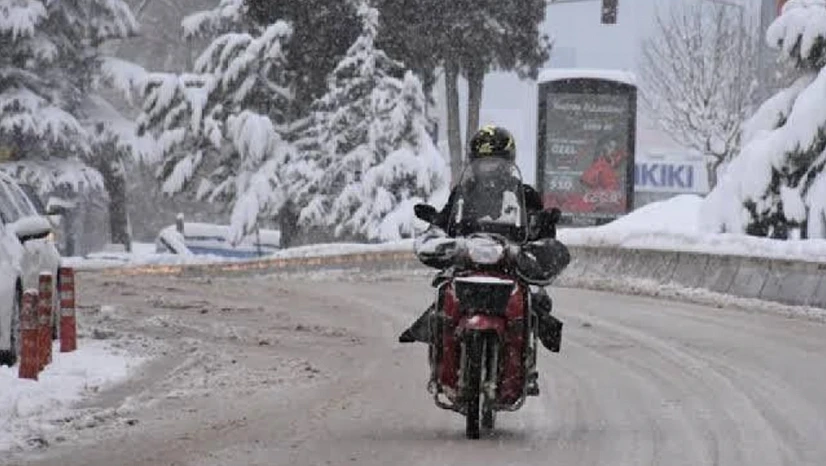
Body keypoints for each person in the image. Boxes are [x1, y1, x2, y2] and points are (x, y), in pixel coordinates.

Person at [398, 125, 571, 395]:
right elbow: (446, 221)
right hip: (468, 259)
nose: (489, 168)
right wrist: (437, 226)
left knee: (537, 301)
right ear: (473, 162)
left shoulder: (524, 195)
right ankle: (440, 358)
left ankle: (527, 365)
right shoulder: (463, 192)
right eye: (483, 162)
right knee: (442, 295)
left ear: (508, 162)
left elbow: (538, 228)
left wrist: (543, 227)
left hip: (508, 261)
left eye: (495, 162)